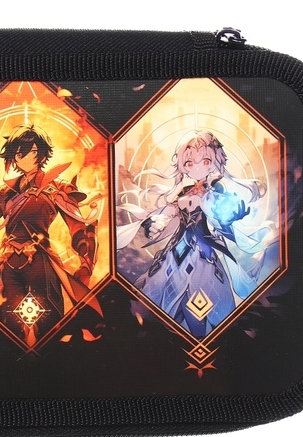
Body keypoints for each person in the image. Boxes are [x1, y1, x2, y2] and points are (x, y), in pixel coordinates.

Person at [0, 122, 99, 347]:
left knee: (49, 324)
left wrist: (86, 262)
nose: (22, 156)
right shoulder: (4, 192)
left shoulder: (58, 189)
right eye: (17, 152)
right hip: (7, 263)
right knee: (9, 324)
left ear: (41, 154)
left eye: (29, 151)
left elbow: (77, 227)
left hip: (40, 261)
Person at [116, 130, 272, 338]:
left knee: (201, 303)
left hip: (203, 254)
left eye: (205, 161)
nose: (197, 167)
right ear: (183, 165)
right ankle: (175, 339)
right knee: (168, 301)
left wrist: (227, 215)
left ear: (215, 162)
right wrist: (155, 223)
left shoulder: (217, 191)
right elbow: (168, 211)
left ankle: (200, 340)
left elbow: (223, 215)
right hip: (176, 253)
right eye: (190, 163)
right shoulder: (184, 191)